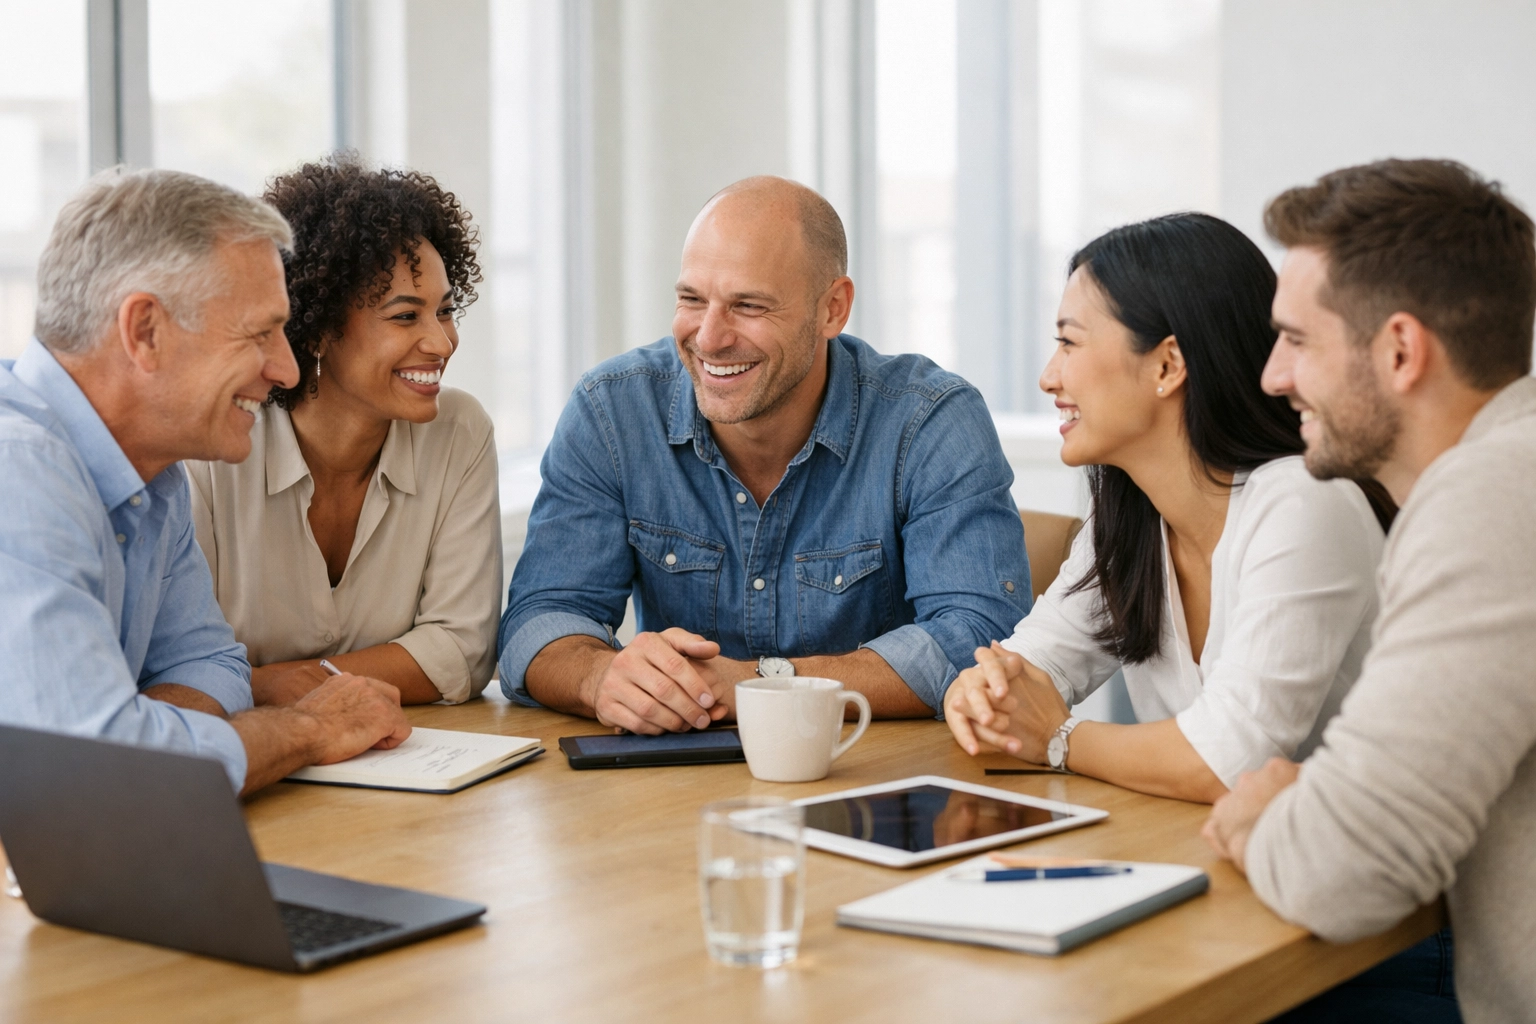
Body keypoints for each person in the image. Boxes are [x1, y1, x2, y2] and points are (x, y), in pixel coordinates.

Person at [498, 175, 1030, 732]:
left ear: (833, 309)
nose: (709, 338)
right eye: (691, 299)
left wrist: (761, 686)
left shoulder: (929, 420)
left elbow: (980, 638)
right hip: (668, 776)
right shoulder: (612, 411)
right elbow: (539, 621)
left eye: (748, 305)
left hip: (872, 773)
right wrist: (600, 677)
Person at [1203, 158, 1536, 1023]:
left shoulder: (1492, 497)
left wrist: (1266, 810)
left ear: (1399, 351)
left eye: (1297, 340)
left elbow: (1346, 872)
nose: (1272, 376)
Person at [943, 213, 1390, 803]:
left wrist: (1058, 738)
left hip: (1345, 852)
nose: (1049, 378)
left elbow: (1230, 762)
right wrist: (980, 693)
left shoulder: (1305, 504)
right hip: (1207, 841)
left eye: (1069, 342)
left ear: (1167, 365)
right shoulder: (1128, 519)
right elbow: (1021, 671)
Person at [0, 168, 410, 796]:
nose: (287, 369)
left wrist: (144, 743)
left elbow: (210, 663)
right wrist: (306, 729)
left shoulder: (154, 475)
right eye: (260, 333)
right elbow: (91, 775)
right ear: (145, 331)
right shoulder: (18, 473)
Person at [187, 159, 500, 707]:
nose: (442, 343)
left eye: (446, 311)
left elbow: (461, 651)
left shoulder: (459, 432)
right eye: (405, 317)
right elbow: (180, 669)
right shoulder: (212, 448)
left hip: (407, 749)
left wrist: (279, 682)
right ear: (318, 328)